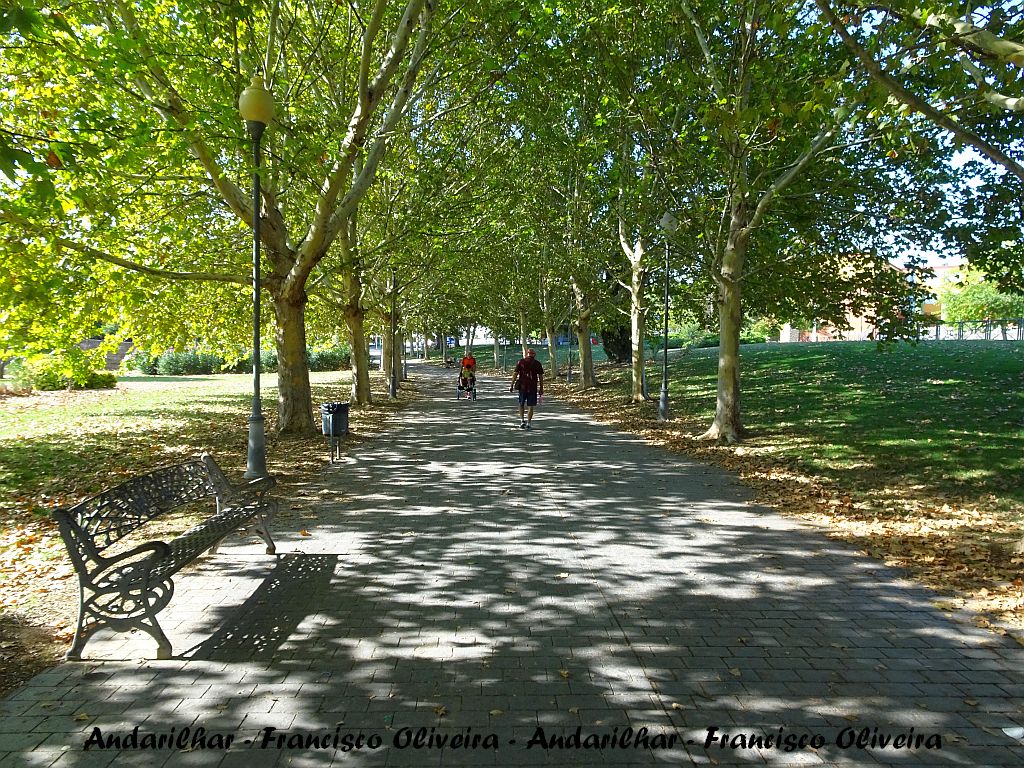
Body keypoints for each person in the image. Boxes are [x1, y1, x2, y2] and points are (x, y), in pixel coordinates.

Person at [510, 348, 544, 429]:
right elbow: (541, 377)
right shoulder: (537, 363)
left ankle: (522, 421)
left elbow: (515, 374)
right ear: (534, 354)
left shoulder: (521, 362)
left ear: (527, 354)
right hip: (532, 387)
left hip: (522, 387)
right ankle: (528, 423)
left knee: (521, 404)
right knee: (530, 406)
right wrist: (541, 388)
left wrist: (512, 384)